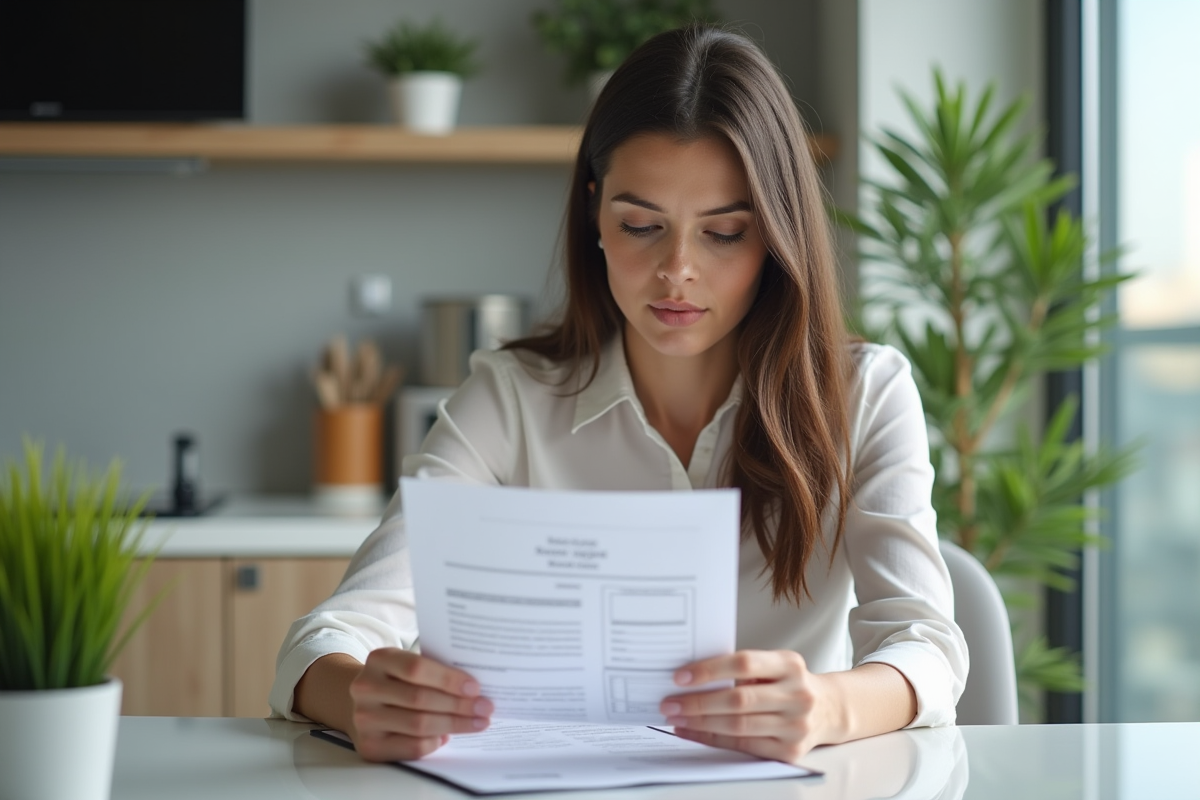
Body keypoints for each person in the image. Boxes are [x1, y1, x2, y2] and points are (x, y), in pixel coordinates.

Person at [269, 25, 968, 765]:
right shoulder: (509, 398)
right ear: (595, 212)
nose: (677, 271)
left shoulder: (863, 394)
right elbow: (326, 640)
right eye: (641, 226)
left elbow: (926, 646)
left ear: (775, 235)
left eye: (723, 234)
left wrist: (827, 705)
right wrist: (357, 697)